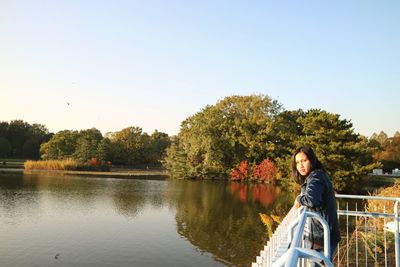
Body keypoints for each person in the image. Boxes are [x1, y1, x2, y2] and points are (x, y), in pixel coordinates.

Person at [292, 145, 340, 264]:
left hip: (321, 236)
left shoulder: (315, 177)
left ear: (312, 160)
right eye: (298, 162)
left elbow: (312, 199)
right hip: (323, 234)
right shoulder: (316, 175)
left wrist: (299, 199)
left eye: (304, 160)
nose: (301, 165)